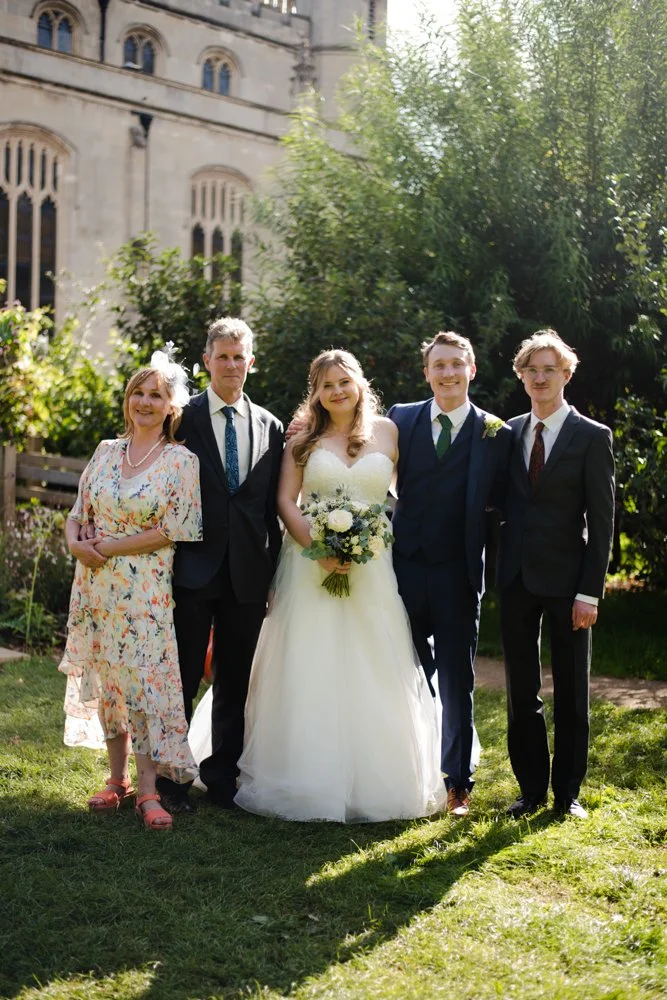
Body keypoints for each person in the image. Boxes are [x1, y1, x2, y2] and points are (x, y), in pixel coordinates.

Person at [191, 349, 446, 822]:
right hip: (309, 565)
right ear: (317, 393)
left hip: (371, 569)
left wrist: (364, 542)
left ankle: (376, 780)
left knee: (374, 662)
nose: (337, 391)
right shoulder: (301, 439)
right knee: (307, 661)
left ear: (360, 383)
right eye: (327, 385)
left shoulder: (390, 432)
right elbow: (286, 501)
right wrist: (319, 547)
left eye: (344, 382)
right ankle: (299, 773)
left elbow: (408, 494)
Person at [59, 355, 202, 830]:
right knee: (107, 681)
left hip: (144, 591)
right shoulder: (104, 451)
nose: (145, 402)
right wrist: (75, 544)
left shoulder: (181, 461)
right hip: (96, 586)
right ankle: (115, 779)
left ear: (170, 406)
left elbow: (174, 528)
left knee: (142, 684)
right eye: (138, 392)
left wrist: (110, 547)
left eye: (155, 395)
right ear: (128, 399)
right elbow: (78, 511)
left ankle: (147, 790)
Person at [156, 318, 284, 813]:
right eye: (222, 356)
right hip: (190, 567)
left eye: (240, 356)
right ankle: (171, 779)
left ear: (251, 362)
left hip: (249, 574)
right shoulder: (179, 419)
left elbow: (269, 505)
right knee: (182, 676)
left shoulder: (271, 426)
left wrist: (272, 572)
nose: (231, 364)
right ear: (206, 361)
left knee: (235, 678)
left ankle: (222, 778)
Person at [387, 331, 512, 816]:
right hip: (403, 568)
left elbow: (506, 504)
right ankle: (407, 769)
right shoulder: (401, 419)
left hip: (459, 573)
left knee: (458, 680)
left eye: (457, 364)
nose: (448, 373)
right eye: (439, 365)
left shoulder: (495, 432)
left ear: (472, 370)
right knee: (407, 670)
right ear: (427, 373)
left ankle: (459, 782)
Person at [497, 330, 615, 820]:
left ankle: (567, 795)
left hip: (570, 585)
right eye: (531, 369)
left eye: (549, 369)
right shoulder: (507, 432)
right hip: (517, 579)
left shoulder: (592, 436)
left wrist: (590, 591)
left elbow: (604, 520)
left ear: (566, 374)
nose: (540, 377)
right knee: (522, 693)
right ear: (521, 375)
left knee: (571, 692)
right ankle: (530, 791)